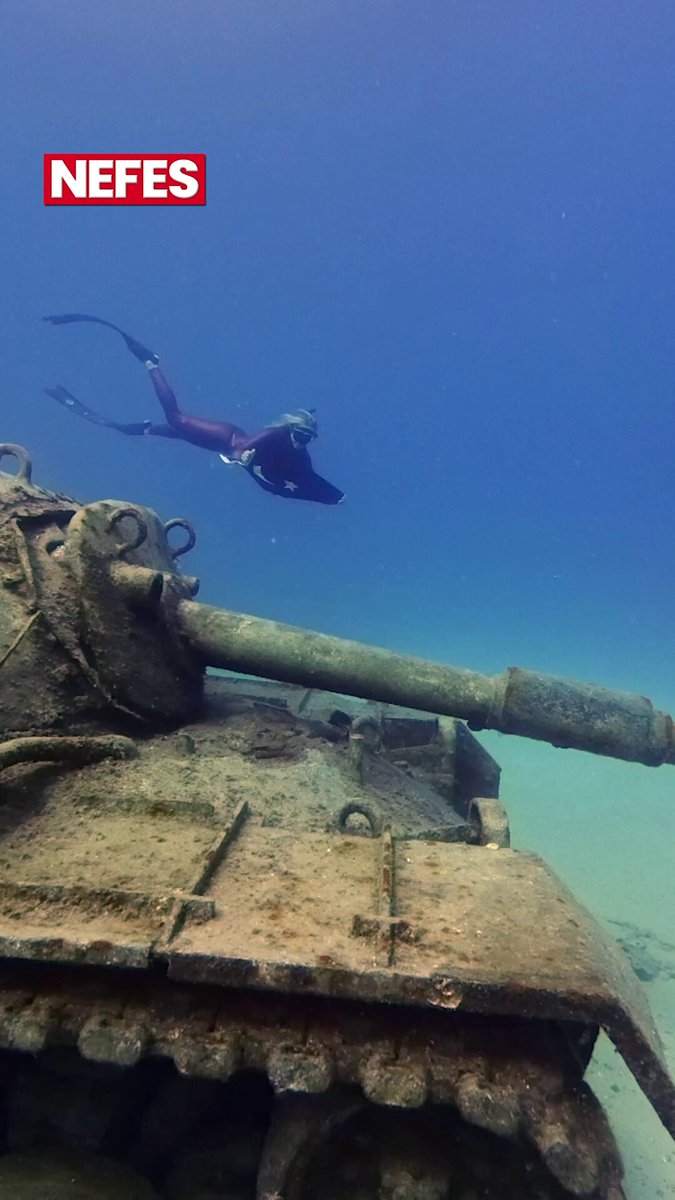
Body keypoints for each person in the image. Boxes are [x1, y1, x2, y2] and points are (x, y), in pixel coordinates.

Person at [43, 314, 344, 505]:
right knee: (176, 418)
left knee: (168, 431)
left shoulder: (297, 456)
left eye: (308, 438)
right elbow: (254, 445)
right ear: (292, 428)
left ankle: (141, 427)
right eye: (301, 434)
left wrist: (332, 498)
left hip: (219, 445)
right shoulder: (277, 434)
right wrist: (242, 456)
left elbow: (308, 481)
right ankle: (151, 362)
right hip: (226, 439)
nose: (302, 441)